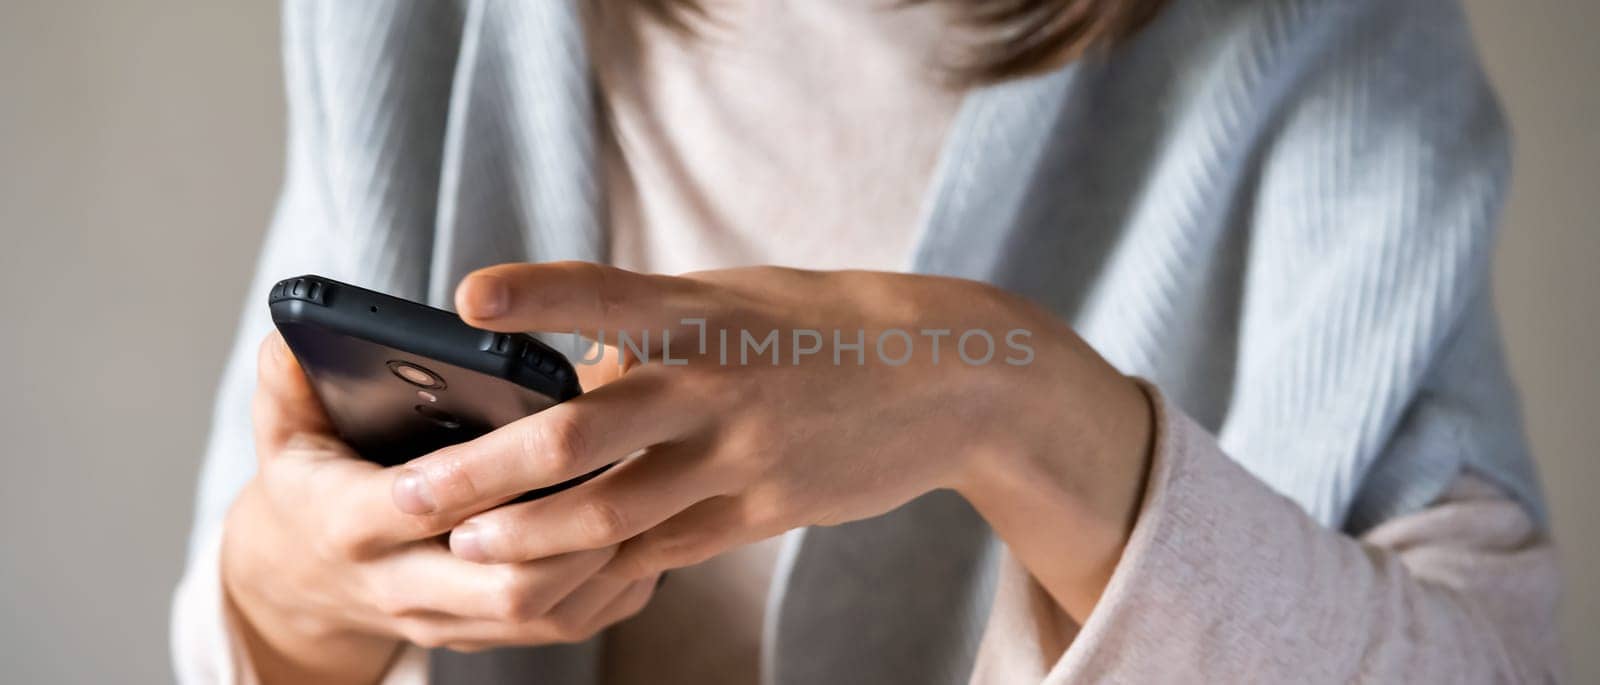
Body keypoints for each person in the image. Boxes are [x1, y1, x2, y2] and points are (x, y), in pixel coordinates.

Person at [172, 0, 1563, 682]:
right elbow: (247, 608)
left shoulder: (1330, 51)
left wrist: (1008, 401)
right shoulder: (419, 26)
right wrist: (290, 600)